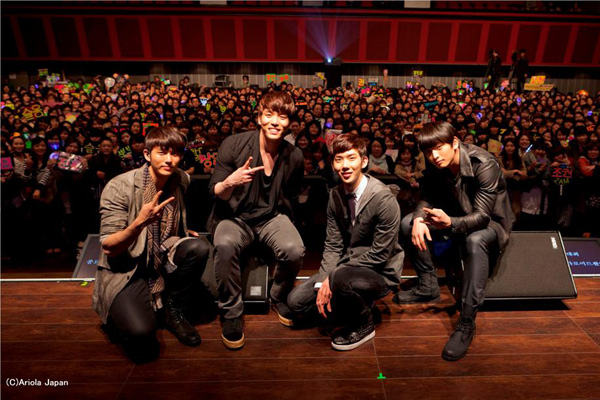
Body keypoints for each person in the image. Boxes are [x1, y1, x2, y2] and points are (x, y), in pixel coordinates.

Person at [394, 121, 514, 361]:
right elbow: (427, 197)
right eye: (429, 151)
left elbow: (482, 217)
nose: (434, 156)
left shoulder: (484, 164)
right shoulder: (436, 164)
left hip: (490, 223)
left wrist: (450, 222)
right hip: (453, 216)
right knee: (407, 223)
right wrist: (418, 219)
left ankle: (466, 322)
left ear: (455, 143)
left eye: (439, 148)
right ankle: (428, 286)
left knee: (475, 240)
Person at [92, 126, 210, 363]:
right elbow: (109, 247)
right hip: (127, 268)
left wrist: (181, 231)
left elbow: (175, 216)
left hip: (160, 256)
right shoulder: (119, 186)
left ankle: (172, 308)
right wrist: (139, 223)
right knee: (141, 335)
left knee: (198, 247)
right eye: (162, 152)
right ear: (147, 154)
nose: (169, 160)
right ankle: (117, 311)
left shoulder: (179, 179)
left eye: (175, 154)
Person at [207, 91, 304, 350]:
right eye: (269, 115)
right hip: (234, 217)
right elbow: (214, 190)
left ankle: (278, 295)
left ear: (289, 123)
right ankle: (231, 312)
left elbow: (291, 195)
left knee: (294, 249)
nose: (275, 122)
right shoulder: (234, 144)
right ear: (259, 117)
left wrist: (284, 222)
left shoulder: (294, 155)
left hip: (271, 217)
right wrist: (229, 182)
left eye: (282, 117)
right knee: (225, 244)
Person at [287, 133, 403, 351]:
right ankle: (346, 303)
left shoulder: (383, 198)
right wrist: (323, 282)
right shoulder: (335, 195)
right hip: (345, 268)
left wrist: (333, 276)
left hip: (379, 271)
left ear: (364, 162)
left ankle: (364, 322)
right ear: (333, 164)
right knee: (296, 303)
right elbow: (333, 245)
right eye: (339, 160)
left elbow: (380, 254)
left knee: (340, 279)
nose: (345, 166)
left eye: (351, 158)